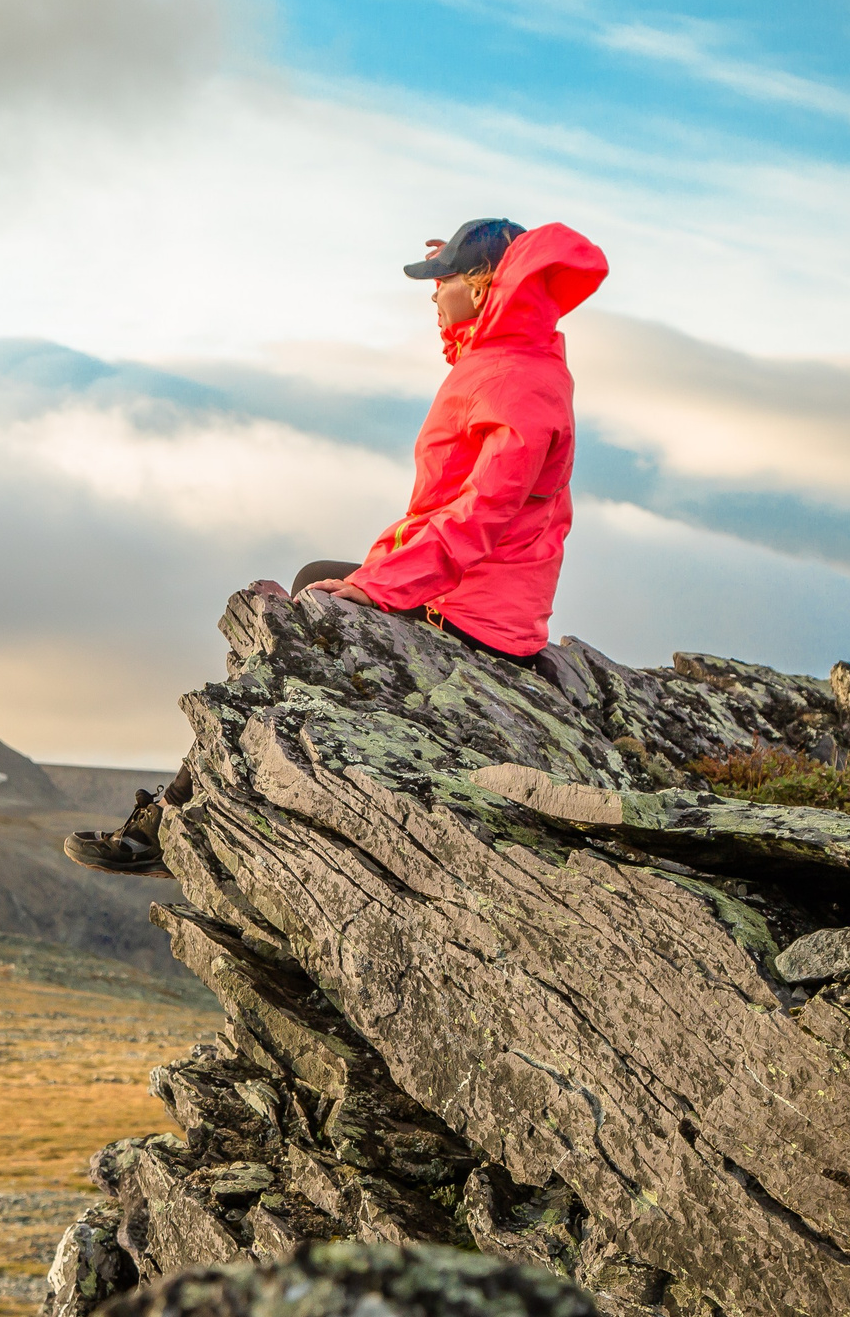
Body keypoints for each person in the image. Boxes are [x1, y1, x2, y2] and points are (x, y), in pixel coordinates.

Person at [64, 215, 608, 877]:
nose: (431, 296)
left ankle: (175, 825)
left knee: (303, 629)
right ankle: (186, 814)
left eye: (441, 282)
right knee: (315, 583)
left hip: (474, 611)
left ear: (480, 282)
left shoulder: (515, 378)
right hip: (482, 592)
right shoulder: (514, 360)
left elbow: (485, 511)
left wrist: (380, 587)